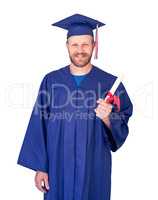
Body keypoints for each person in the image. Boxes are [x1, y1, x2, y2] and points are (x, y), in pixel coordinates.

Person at [17, 14, 133, 200]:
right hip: (57, 167)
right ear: (67, 46)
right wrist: (41, 167)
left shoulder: (110, 83)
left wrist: (108, 118)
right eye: (75, 45)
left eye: (86, 44)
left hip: (93, 168)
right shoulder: (51, 81)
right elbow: (39, 124)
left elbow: (124, 119)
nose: (80, 50)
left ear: (94, 46)